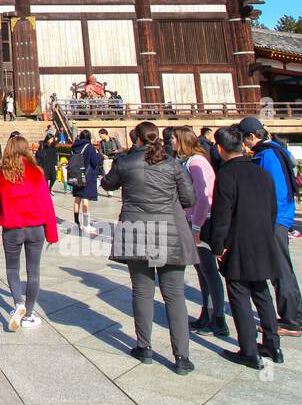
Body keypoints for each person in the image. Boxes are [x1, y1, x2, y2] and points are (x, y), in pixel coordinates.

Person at [101, 121, 198, 375]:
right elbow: (189, 199)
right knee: (174, 296)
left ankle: (144, 347)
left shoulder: (125, 162)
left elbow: (108, 184)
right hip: (169, 231)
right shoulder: (172, 163)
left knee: (142, 292)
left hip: (137, 232)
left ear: (137, 139)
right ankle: (182, 357)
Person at [205, 125, 283, 371]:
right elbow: (272, 210)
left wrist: (218, 246)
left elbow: (221, 217)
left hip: (237, 244)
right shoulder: (262, 173)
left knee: (239, 295)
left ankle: (249, 350)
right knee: (262, 293)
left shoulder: (227, 175)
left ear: (220, 148)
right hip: (263, 240)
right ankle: (273, 345)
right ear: (243, 145)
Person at [239, 117, 302, 336]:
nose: (245, 144)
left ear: (252, 136)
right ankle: (298, 315)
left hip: (275, 219)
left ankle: (290, 320)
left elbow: (275, 190)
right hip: (281, 217)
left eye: (245, 139)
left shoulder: (268, 155)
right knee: (284, 269)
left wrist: (268, 220)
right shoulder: (277, 149)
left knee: (279, 270)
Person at [0, 134, 60, 332]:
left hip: (12, 229)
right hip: (36, 228)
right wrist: (52, 233)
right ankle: (28, 314)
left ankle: (18, 302)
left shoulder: (0, 174)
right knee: (33, 271)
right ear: (27, 150)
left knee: (12, 269)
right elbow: (47, 204)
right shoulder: (37, 172)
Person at [175, 126, 226, 336]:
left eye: (174, 140)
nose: (171, 143)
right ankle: (207, 312)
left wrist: (195, 225)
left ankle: (219, 319)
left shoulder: (196, 162)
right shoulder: (190, 161)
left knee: (209, 271)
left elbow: (203, 197)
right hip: (194, 220)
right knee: (201, 270)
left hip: (202, 222)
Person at [68, 130, 102, 235]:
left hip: (76, 175)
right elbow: (95, 162)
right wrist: (98, 155)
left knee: (77, 199)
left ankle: (76, 221)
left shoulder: (74, 147)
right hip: (87, 176)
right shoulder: (90, 147)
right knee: (86, 200)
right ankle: (86, 224)